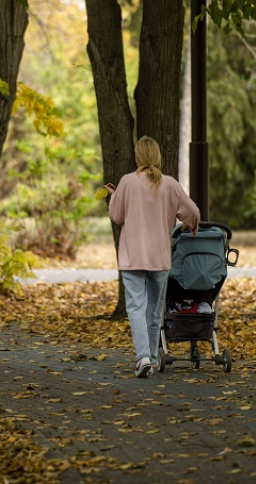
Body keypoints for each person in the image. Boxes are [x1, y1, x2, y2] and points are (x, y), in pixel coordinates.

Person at [105, 136, 200, 378]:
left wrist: (115, 196)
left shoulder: (127, 182)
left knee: (136, 306)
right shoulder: (169, 184)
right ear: (157, 157)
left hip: (133, 256)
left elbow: (117, 216)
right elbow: (192, 211)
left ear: (138, 157)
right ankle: (153, 358)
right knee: (154, 310)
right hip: (159, 257)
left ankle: (143, 357)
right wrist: (192, 225)